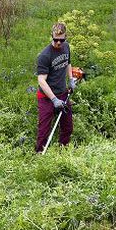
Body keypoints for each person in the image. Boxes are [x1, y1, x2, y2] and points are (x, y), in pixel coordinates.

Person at [35, 22, 76, 152]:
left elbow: (68, 63)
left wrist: (71, 80)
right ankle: (38, 155)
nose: (58, 43)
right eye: (56, 40)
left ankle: (63, 150)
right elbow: (41, 80)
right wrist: (53, 99)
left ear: (66, 37)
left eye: (61, 40)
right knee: (44, 130)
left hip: (63, 93)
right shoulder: (45, 55)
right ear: (51, 36)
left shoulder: (66, 47)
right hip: (47, 97)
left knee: (68, 126)